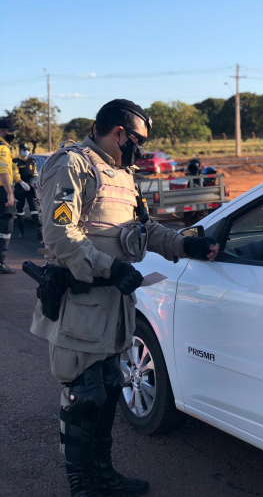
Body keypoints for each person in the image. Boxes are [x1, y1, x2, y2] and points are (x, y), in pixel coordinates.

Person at [29, 99, 219, 497]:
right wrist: (110, 268)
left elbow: (142, 232)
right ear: (119, 133)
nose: (142, 149)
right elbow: (60, 235)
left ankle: (104, 477)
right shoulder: (72, 165)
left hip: (116, 302)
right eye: (139, 140)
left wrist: (186, 246)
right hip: (81, 302)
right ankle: (84, 487)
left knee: (109, 389)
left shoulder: (123, 174)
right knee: (84, 397)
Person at [0, 117, 20, 274]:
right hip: (2, 191)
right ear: (2, 131)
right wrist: (10, 194)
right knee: (6, 225)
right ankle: (1, 262)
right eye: (10, 131)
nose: (12, 134)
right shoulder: (3, 149)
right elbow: (3, 173)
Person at [13, 143, 41, 239]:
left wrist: (35, 174)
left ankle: (38, 231)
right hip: (20, 187)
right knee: (20, 211)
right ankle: (21, 232)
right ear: (20, 150)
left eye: (27, 150)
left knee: (34, 209)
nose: (26, 151)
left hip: (30, 187)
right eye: (24, 150)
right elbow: (15, 174)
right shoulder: (15, 162)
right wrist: (21, 183)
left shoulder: (31, 161)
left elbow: (35, 171)